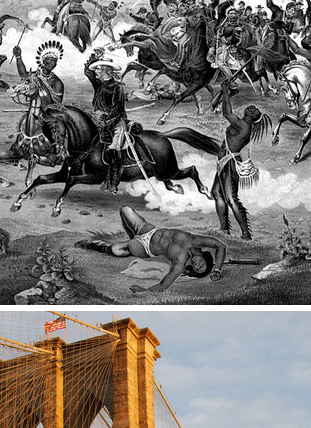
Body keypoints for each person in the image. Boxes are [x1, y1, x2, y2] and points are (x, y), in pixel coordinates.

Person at [76, 205, 226, 293]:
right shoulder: (196, 240)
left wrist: (144, 291)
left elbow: (164, 284)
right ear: (205, 257)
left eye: (196, 269)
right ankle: (130, 236)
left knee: (115, 250)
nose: (196, 266)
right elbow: (220, 245)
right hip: (148, 230)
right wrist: (217, 270)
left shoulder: (181, 261)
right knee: (125, 209)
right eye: (201, 265)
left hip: (145, 247)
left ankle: (91, 246)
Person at [211, 84, 272, 240]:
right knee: (217, 193)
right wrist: (227, 95)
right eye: (252, 108)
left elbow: (227, 113)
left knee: (231, 199)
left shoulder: (244, 125)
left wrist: (225, 92)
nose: (252, 108)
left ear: (254, 118)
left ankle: (246, 234)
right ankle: (224, 230)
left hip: (229, 164)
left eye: (255, 111)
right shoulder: (242, 124)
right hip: (224, 163)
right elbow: (228, 112)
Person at [84, 51, 129, 193]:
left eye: (98, 68)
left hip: (116, 122)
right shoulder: (99, 84)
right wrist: (94, 57)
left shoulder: (118, 87)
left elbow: (117, 109)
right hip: (98, 120)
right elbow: (88, 72)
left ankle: (114, 181)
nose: (95, 71)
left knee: (113, 150)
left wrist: (107, 122)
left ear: (105, 70)